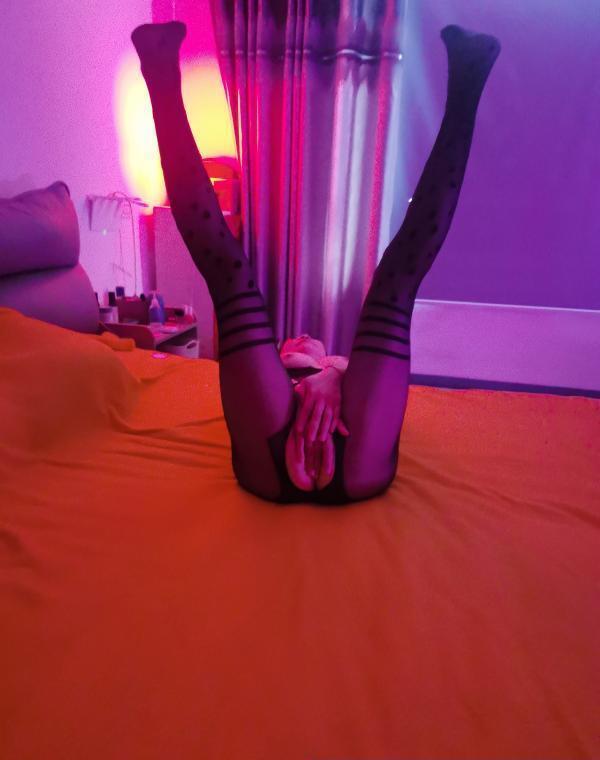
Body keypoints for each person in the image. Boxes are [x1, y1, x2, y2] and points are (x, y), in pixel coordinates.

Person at [131, 20, 501, 506]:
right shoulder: (315, 365)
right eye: (301, 341)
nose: (303, 336)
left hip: (271, 449)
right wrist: (325, 374)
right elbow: (339, 370)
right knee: (394, 290)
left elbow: (290, 368)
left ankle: (160, 77)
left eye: (300, 340)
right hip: (356, 456)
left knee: (232, 284)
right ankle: (467, 84)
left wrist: (325, 377)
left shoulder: (311, 365)